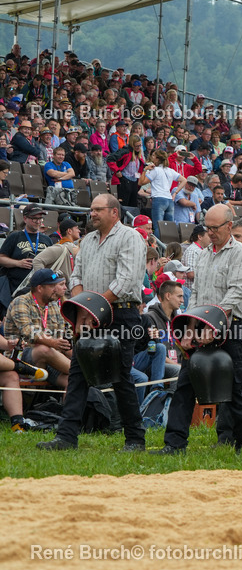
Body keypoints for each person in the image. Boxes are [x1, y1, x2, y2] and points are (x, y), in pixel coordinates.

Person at [38, 194, 148, 452]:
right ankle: (65, 437)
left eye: (98, 209)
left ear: (114, 212)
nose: (93, 213)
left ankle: (135, 439)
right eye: (91, 209)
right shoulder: (86, 241)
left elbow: (126, 280)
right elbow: (76, 277)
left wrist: (91, 309)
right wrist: (82, 309)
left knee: (121, 377)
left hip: (121, 314)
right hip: (89, 315)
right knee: (78, 374)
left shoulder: (130, 237)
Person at [152, 204, 242, 454]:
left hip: (231, 330)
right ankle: (174, 443)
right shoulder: (205, 254)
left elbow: (236, 292)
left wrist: (213, 322)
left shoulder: (240, 253)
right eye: (207, 227)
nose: (210, 232)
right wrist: (190, 328)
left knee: (233, 389)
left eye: (214, 228)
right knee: (185, 385)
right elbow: (196, 295)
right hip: (201, 328)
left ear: (229, 226)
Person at [3, 268, 71, 389]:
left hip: (51, 359)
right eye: (52, 286)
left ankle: (68, 407)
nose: (56, 289)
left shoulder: (53, 306)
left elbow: (61, 340)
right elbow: (28, 331)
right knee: (43, 349)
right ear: (40, 288)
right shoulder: (21, 301)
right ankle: (80, 372)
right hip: (20, 357)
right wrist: (53, 342)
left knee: (73, 383)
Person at [134, 276, 182, 404]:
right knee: (178, 370)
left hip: (164, 361)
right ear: (167, 296)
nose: (182, 300)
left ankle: (160, 394)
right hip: (149, 363)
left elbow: (177, 348)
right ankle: (160, 403)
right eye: (179, 296)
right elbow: (147, 349)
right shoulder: (149, 318)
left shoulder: (178, 320)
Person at [0, 204, 52, 294]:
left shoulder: (47, 239)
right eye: (34, 218)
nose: (38, 221)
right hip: (16, 288)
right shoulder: (15, 236)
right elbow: (1, 258)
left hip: (40, 289)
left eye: (40, 218)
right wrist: (18, 263)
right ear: (25, 219)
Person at [137, 150, 184, 222]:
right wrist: (175, 193)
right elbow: (184, 180)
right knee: (168, 227)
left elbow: (141, 182)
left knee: (158, 226)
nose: (152, 158)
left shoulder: (155, 170)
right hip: (169, 200)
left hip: (159, 199)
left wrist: (145, 169)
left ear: (157, 159)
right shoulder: (170, 170)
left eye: (153, 156)